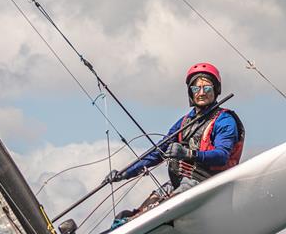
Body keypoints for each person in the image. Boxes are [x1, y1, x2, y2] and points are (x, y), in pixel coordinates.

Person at [104, 62, 244, 210]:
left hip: (208, 183)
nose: (201, 92)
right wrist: (124, 173)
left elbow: (222, 156)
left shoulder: (224, 120)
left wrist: (188, 153)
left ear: (216, 90)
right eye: (196, 88)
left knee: (162, 206)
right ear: (191, 92)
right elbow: (158, 152)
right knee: (143, 209)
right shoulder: (184, 122)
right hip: (183, 180)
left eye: (207, 88)